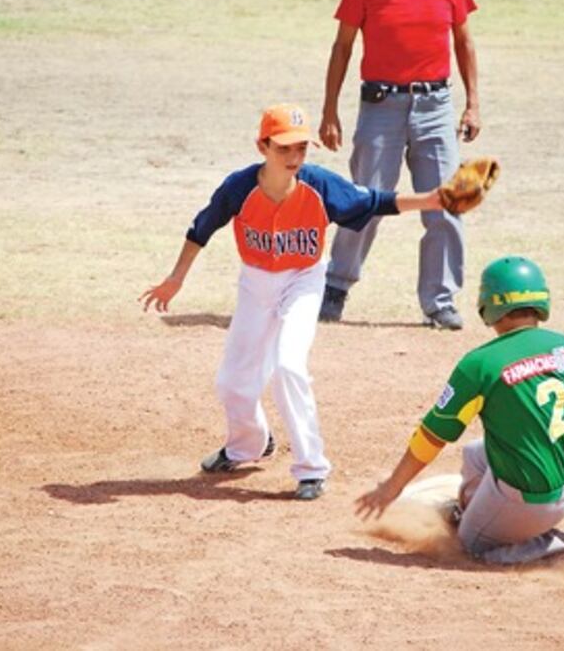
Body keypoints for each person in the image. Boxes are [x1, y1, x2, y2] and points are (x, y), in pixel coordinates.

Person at [140, 104, 446, 501]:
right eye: (284, 148)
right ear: (262, 146)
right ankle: (247, 446)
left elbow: (374, 201)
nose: (294, 157)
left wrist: (433, 199)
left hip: (304, 280)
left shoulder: (318, 185)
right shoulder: (239, 187)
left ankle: (311, 469)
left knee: (288, 366)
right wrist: (176, 278)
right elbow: (202, 227)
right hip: (254, 283)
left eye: (301, 148)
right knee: (232, 383)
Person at [355, 256, 564, 564]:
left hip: (532, 501)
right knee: (475, 453)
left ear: (488, 304)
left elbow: (431, 436)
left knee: (471, 546)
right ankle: (481, 515)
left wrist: (391, 488)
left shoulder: (481, 365)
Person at [317, 0, 481, 330]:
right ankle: (335, 286)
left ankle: (440, 301)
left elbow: (464, 42)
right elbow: (342, 46)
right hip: (380, 107)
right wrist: (329, 111)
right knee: (364, 199)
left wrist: (473, 105)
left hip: (435, 106)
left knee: (447, 202)